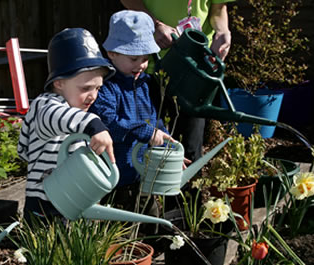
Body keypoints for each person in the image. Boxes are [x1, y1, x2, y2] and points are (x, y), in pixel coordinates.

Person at [18, 28, 116, 224]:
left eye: (98, 88)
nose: (93, 95)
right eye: (86, 88)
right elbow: (58, 116)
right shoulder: (44, 106)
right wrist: (95, 125)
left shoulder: (79, 115)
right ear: (59, 82)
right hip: (43, 204)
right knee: (44, 252)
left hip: (71, 202)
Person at [120, 0, 235, 163]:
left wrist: (223, 30)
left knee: (190, 148)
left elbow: (218, 7)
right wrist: (153, 24)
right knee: (146, 142)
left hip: (194, 67)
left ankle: (189, 187)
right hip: (150, 64)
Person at [88, 10, 176, 216]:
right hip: (115, 177)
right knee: (119, 232)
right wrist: (145, 132)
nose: (142, 65)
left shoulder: (145, 83)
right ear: (111, 54)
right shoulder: (107, 88)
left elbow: (154, 120)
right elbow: (109, 123)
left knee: (151, 225)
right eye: (135, 58)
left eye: (146, 58)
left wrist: (169, 150)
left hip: (143, 174)